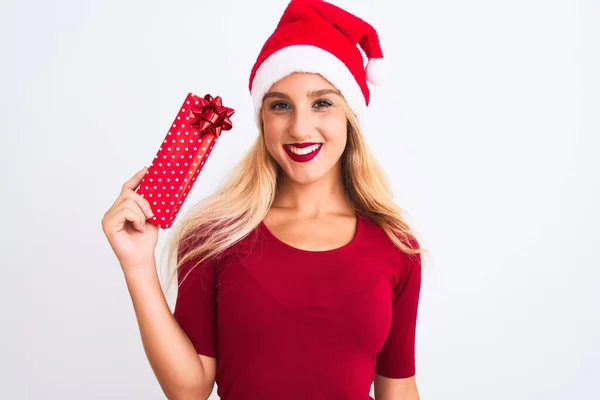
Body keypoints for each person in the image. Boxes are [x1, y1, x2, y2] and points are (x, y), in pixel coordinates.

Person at [101, 0, 426, 399]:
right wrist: (137, 265)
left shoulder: (395, 246)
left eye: (322, 102)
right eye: (280, 106)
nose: (300, 127)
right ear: (262, 119)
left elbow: (398, 387)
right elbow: (189, 390)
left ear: (349, 115)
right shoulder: (215, 238)